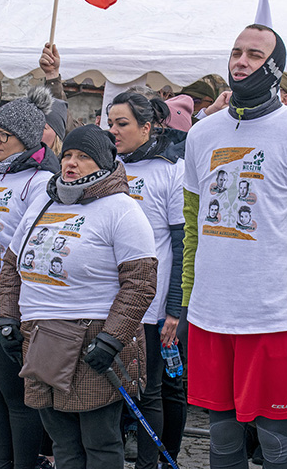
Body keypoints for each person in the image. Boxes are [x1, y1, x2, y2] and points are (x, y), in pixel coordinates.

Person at [177, 24, 287, 469]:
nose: (241, 62)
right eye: (235, 52)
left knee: (276, 439)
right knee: (222, 433)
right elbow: (194, 229)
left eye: (253, 55)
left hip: (272, 318)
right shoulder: (201, 134)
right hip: (211, 314)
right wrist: (188, 303)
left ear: (275, 69)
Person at [0, 124, 157, 469]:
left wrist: (113, 339)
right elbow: (11, 266)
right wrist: (7, 317)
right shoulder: (44, 200)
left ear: (102, 164)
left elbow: (140, 283)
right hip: (39, 338)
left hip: (92, 339)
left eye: (83, 157)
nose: (71, 163)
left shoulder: (121, 208)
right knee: (63, 442)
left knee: (99, 442)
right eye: (67, 154)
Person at [0, 86, 60, 468]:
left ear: (25, 138)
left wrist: (8, 307)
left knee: (17, 396)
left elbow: (27, 248)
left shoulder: (39, 180)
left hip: (12, 308)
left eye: (4, 136)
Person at [107, 91, 186, 469]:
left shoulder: (171, 169)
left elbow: (182, 241)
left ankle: (149, 463)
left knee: (149, 392)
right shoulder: (109, 166)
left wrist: (174, 308)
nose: (114, 131)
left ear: (147, 127)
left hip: (151, 305)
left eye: (122, 124)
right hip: (108, 300)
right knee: (110, 389)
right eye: (110, 123)